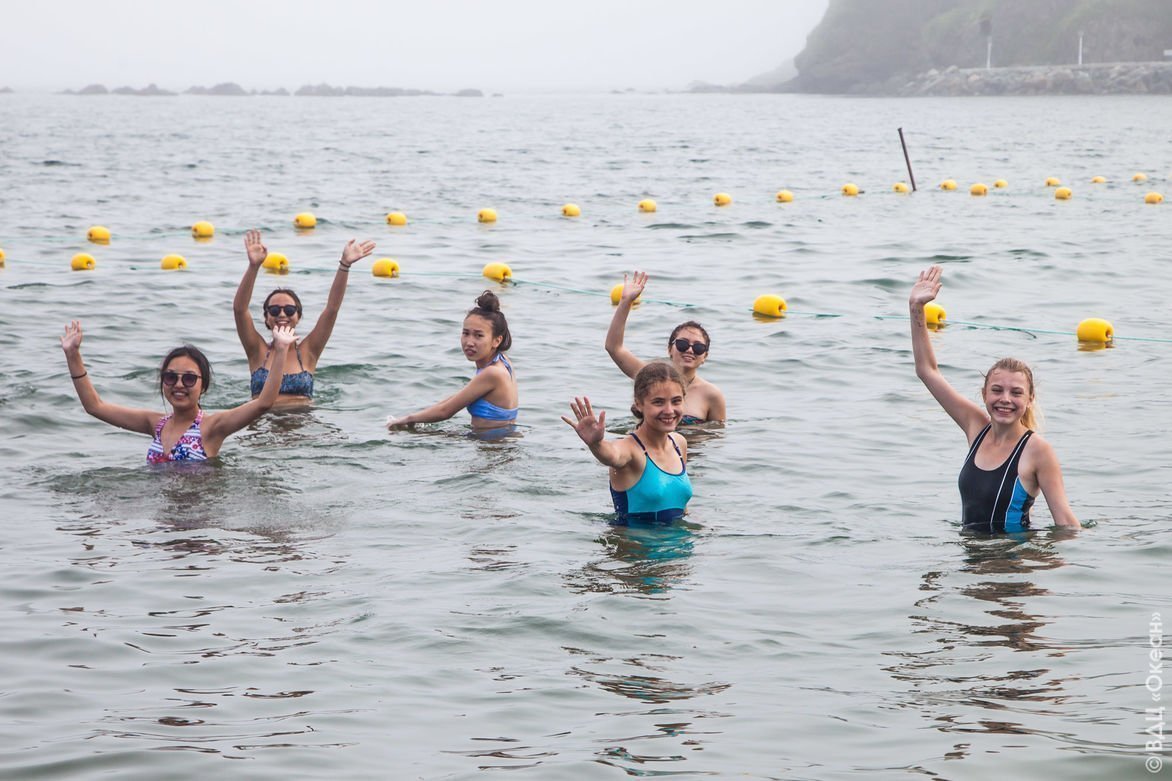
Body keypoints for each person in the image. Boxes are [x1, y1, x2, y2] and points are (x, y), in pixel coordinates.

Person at [909, 265, 1079, 532]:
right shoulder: (976, 427)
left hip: (1011, 565)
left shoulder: (1037, 450)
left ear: (1030, 399)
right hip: (971, 558)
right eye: (997, 390)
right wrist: (916, 308)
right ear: (984, 394)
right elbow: (927, 371)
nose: (1005, 399)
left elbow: (1066, 525)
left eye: (1016, 393)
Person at [60, 320, 295, 464]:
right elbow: (95, 406)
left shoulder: (213, 427)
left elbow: (264, 402)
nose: (179, 385)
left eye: (189, 379)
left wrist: (281, 350)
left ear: (203, 386)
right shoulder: (155, 424)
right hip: (163, 518)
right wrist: (73, 356)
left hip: (198, 520)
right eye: (171, 377)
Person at [233, 229, 375, 407]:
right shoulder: (257, 351)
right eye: (275, 310)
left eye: (290, 309)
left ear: (298, 317)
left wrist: (344, 265)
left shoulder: (308, 352)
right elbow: (240, 310)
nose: (282, 315)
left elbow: (331, 309)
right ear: (267, 318)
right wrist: (253, 267)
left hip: (302, 426)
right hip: (263, 426)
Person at [563, 361, 693, 524]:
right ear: (639, 404)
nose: (669, 410)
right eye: (658, 402)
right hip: (635, 547)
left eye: (676, 401)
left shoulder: (679, 443)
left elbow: (681, 505)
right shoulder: (630, 450)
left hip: (680, 547)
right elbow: (611, 455)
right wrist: (596, 444)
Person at [386, 290, 518, 431]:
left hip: (491, 446)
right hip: (499, 442)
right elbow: (457, 398)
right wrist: (416, 416)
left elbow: (445, 411)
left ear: (497, 340)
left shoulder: (493, 373)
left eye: (478, 336)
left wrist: (407, 419)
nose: (469, 342)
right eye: (465, 333)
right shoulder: (503, 361)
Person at [605, 271, 725, 424]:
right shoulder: (650, 377)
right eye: (682, 344)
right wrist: (625, 302)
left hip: (690, 448)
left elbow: (716, 440)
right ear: (670, 349)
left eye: (698, 347)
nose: (689, 350)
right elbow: (614, 347)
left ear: (705, 357)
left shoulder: (712, 394)